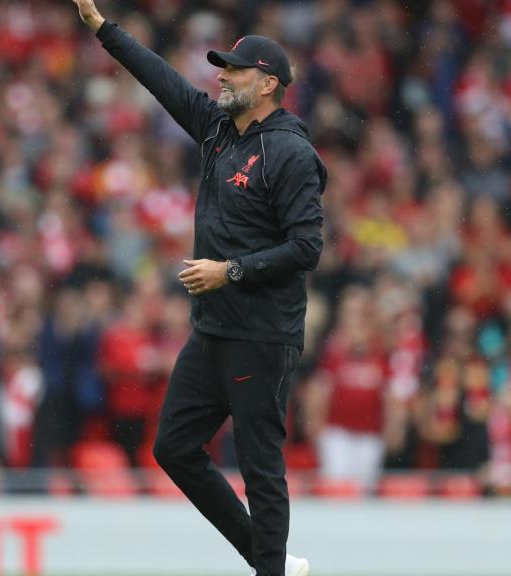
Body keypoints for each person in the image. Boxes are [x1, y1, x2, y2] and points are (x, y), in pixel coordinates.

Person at [70, 3, 326, 576]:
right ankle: (274, 561)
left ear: (267, 84)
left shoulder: (290, 152)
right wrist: (102, 29)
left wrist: (229, 270)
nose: (222, 75)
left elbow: (307, 248)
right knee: (174, 447)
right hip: (213, 327)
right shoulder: (217, 129)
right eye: (222, 67)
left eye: (234, 69)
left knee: (261, 468)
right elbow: (161, 78)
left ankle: (272, 570)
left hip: (261, 332)